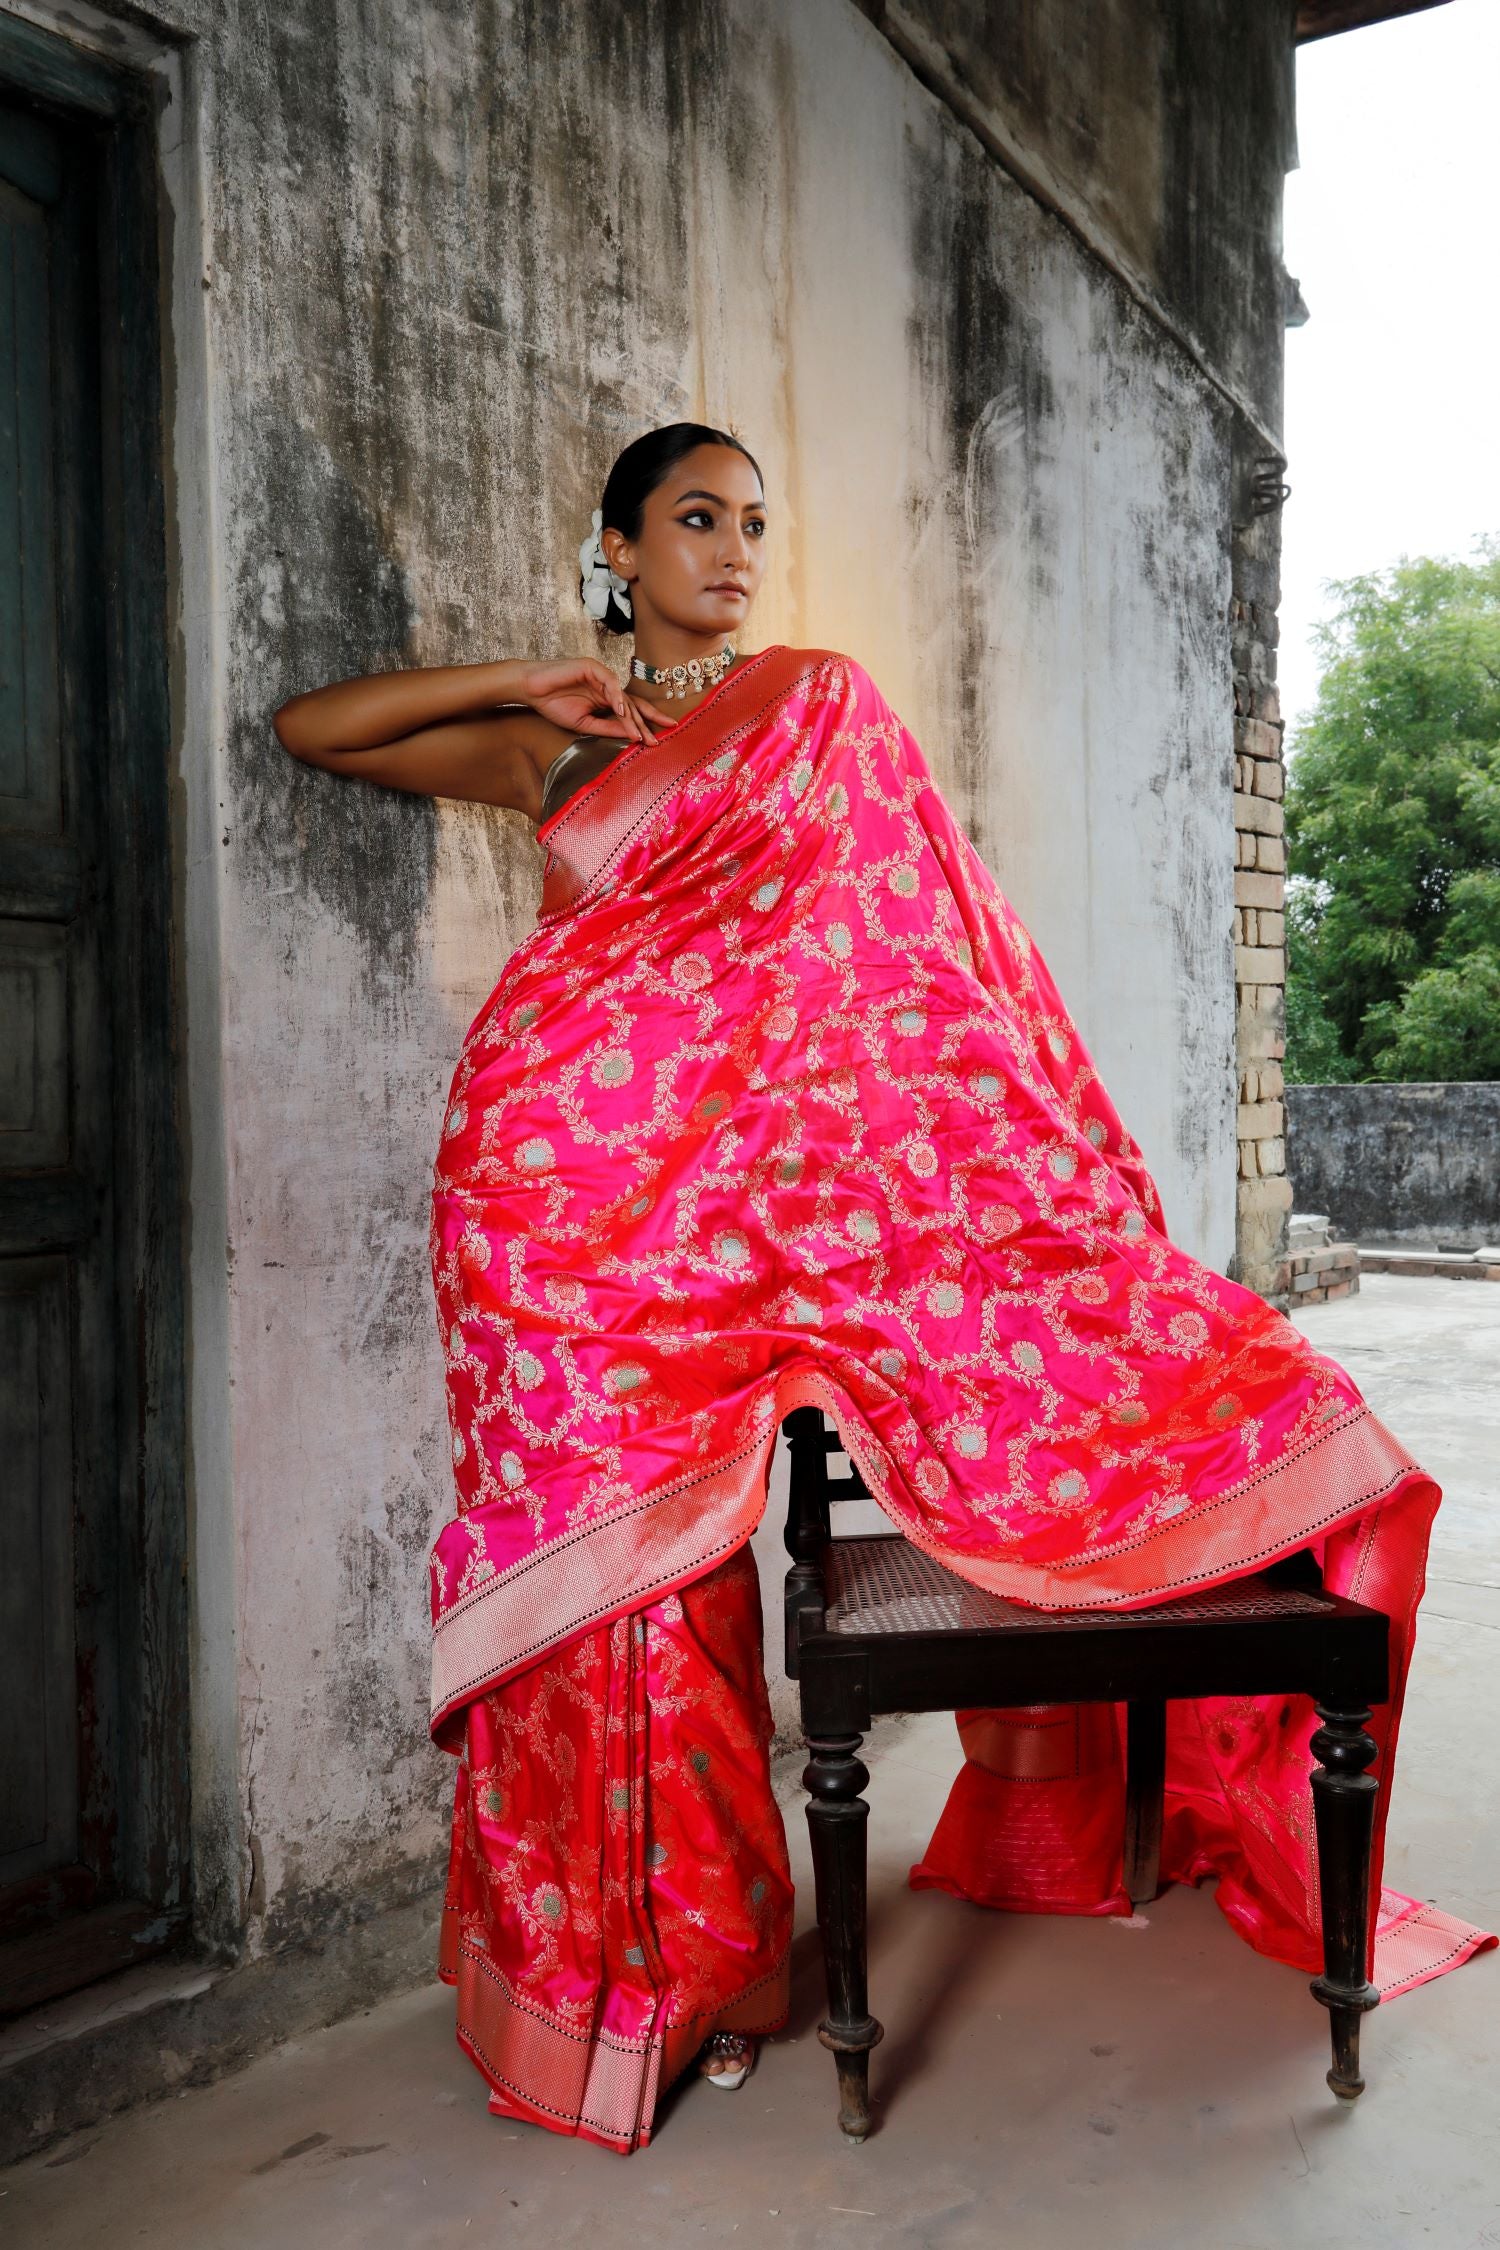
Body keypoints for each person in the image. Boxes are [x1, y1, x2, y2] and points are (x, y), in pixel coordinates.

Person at [274, 421, 1490, 2154]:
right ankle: (629, 1974)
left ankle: (725, 1955)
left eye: (753, 521)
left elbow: (919, 980)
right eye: (693, 520)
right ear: (615, 546)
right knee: (616, 1596)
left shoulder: (817, 715)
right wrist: (528, 677)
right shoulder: (562, 746)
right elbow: (309, 728)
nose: (733, 549)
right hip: (551, 1207)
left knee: (698, 1576)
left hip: (732, 1213)